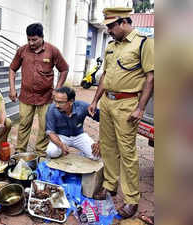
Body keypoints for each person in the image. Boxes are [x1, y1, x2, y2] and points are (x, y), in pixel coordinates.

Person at [87, 8, 154, 219]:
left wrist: (141, 107)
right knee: (107, 147)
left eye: (110, 26)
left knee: (127, 153)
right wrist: (95, 100)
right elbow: (105, 76)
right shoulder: (111, 46)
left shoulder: (144, 43)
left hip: (128, 104)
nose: (108, 31)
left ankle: (132, 199)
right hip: (108, 103)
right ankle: (109, 185)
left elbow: (151, 78)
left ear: (124, 23)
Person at [9, 23, 69, 155]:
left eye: (34, 39)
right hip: (26, 96)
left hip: (46, 97)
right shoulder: (22, 51)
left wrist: (58, 90)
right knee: (24, 125)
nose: (31, 43)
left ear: (42, 37)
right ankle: (19, 153)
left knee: (44, 127)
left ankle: (40, 154)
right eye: (28, 39)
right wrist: (12, 88)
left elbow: (64, 69)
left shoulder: (52, 51)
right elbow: (12, 69)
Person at [46, 87, 100, 160]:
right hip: (61, 137)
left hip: (79, 136)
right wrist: (61, 145)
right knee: (51, 152)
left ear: (71, 101)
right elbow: (50, 132)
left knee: (96, 156)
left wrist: (100, 142)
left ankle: (82, 154)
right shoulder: (52, 109)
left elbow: (104, 120)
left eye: (61, 102)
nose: (57, 105)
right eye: (55, 101)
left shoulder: (83, 106)